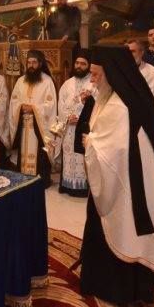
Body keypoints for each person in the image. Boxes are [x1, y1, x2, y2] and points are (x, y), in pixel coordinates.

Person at [76, 46, 154, 305]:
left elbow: (114, 150)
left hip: (125, 186)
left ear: (112, 74)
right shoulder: (111, 97)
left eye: (96, 74)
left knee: (123, 231)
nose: (92, 80)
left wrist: (90, 144)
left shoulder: (119, 106)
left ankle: (116, 288)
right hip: (120, 179)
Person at [9, 50, 57, 187]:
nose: (31, 65)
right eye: (29, 62)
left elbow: (51, 104)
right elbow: (14, 101)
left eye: (34, 62)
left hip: (39, 127)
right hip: (23, 126)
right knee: (23, 153)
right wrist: (20, 107)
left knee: (40, 154)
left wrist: (34, 108)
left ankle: (39, 182)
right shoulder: (20, 81)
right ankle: (23, 180)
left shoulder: (47, 81)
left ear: (40, 64)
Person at [56, 49, 94, 197]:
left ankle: (83, 187)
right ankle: (67, 185)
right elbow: (61, 105)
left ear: (89, 65)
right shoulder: (67, 84)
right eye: (77, 63)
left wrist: (82, 119)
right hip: (69, 129)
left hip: (84, 128)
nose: (79, 66)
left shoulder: (93, 83)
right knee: (69, 154)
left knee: (82, 156)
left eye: (83, 63)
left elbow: (97, 106)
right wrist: (67, 118)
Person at [127, 38, 154, 106]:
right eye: (127, 52)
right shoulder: (119, 71)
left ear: (142, 52)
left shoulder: (153, 72)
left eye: (132, 51)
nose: (129, 54)